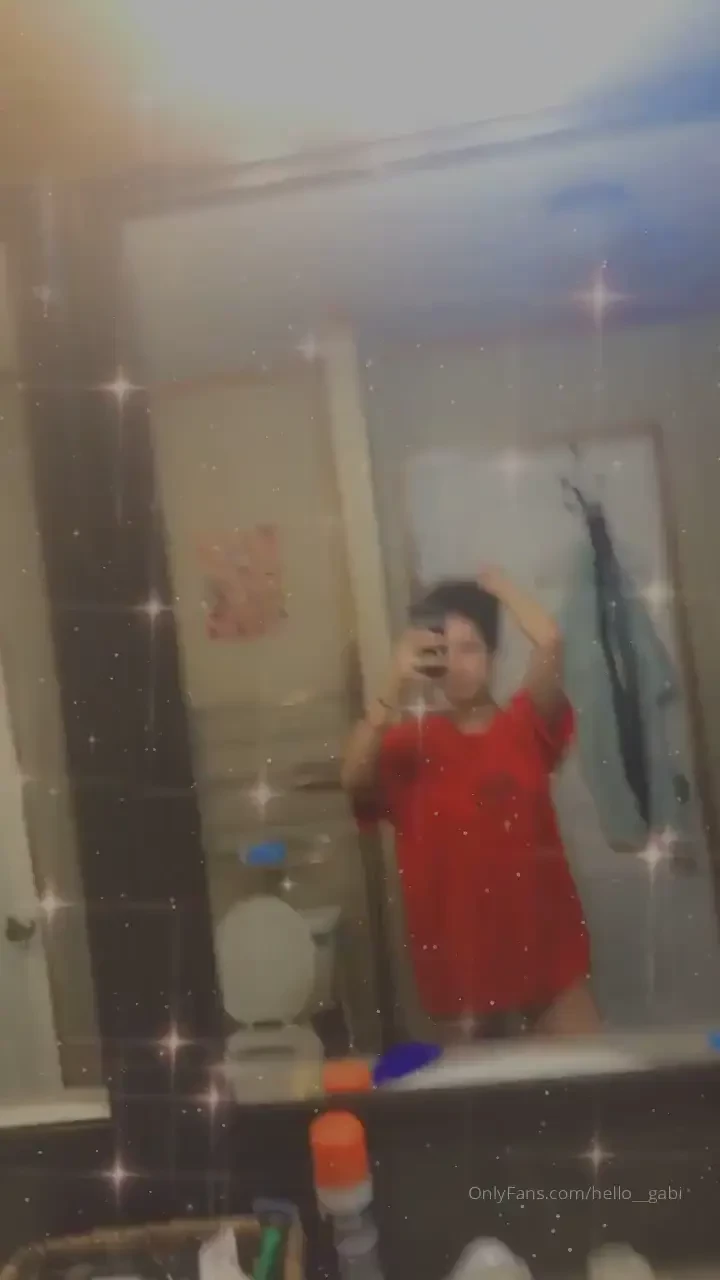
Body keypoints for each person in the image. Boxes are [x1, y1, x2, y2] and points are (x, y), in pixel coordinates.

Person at [341, 567, 600, 1039]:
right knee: (482, 1086)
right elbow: (354, 778)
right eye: (444, 650)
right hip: (462, 966)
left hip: (547, 950)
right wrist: (394, 682)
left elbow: (550, 641)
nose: (457, 663)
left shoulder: (525, 725)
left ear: (493, 655)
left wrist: (499, 588)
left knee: (587, 1073)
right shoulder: (408, 745)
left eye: (470, 648)